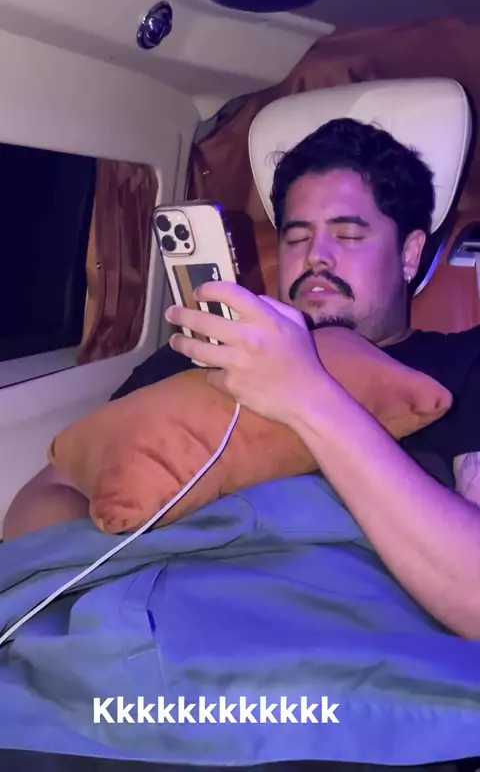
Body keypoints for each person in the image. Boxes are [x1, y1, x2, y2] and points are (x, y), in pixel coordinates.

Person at [5, 118, 480, 641]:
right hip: (142, 635)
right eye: (296, 236)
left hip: (342, 652)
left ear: (409, 254)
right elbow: (56, 485)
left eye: (347, 235)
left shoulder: (464, 364)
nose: (316, 256)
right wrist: (85, 612)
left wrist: (305, 394)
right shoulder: (204, 352)